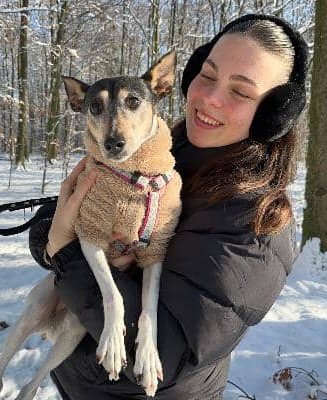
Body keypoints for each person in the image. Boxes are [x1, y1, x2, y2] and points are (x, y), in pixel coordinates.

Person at [29, 13, 308, 400]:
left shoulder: (255, 227)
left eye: (241, 92)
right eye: (207, 75)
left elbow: (166, 353)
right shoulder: (157, 151)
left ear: (273, 115)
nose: (209, 98)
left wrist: (66, 252)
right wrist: (52, 232)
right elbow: (69, 217)